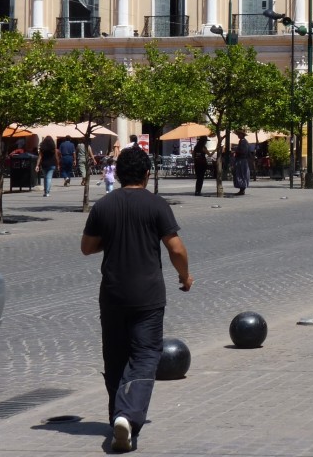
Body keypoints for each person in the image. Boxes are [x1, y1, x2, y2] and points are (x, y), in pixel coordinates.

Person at [81, 147, 192, 453]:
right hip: (148, 296)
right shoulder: (156, 205)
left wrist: (113, 238)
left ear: (116, 174)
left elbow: (87, 247)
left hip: (113, 294)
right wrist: (185, 277)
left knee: (115, 359)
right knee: (145, 356)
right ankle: (127, 417)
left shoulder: (103, 206)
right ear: (147, 174)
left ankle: (118, 418)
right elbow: (176, 248)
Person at [232, 130, 251, 196]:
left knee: (241, 174)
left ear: (242, 135)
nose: (238, 135)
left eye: (239, 134)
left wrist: (236, 151)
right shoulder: (242, 142)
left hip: (242, 160)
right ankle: (241, 189)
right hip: (241, 160)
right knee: (240, 174)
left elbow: (244, 151)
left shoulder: (243, 142)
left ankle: (242, 189)